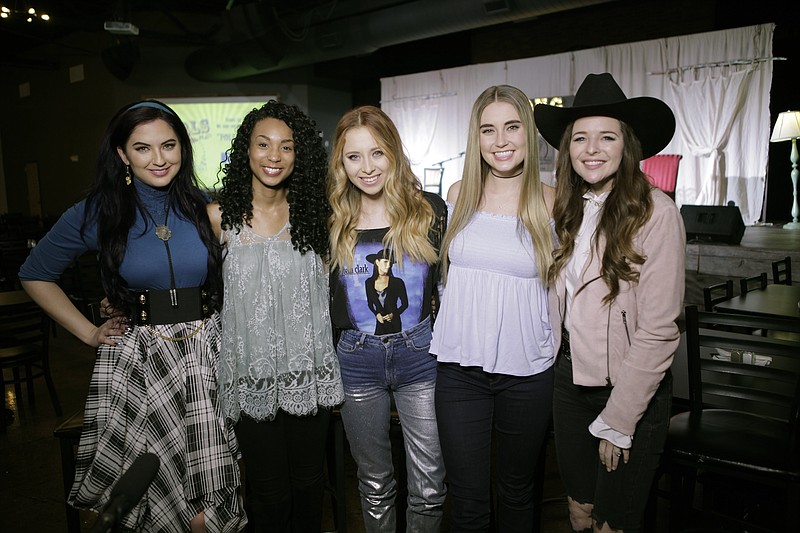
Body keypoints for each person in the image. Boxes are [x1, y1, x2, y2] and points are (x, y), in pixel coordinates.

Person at [19, 100, 245, 532]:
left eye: (169, 145)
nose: (159, 159)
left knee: (209, 506)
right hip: (141, 364)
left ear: (183, 148)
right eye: (143, 148)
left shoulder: (205, 207)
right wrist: (87, 333)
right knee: (153, 495)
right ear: (122, 154)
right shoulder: (97, 212)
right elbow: (35, 274)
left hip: (207, 357)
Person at [534, 72, 684, 533]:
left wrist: (620, 418)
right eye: (580, 137)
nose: (592, 148)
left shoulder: (656, 213)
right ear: (567, 147)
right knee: (578, 511)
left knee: (610, 525)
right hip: (568, 383)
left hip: (626, 391)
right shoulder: (567, 209)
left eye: (606, 136)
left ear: (627, 145)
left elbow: (659, 329)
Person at [207, 100, 344, 533]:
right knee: (268, 493)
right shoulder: (218, 218)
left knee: (308, 486)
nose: (273, 156)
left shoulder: (319, 217)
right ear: (245, 150)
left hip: (308, 372)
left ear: (298, 154)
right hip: (252, 377)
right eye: (263, 144)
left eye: (286, 147)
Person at [429, 85, 556, 532]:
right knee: (466, 499)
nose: (500, 140)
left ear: (529, 131)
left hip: (527, 371)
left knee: (517, 494)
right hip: (460, 369)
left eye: (511, 127)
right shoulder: (459, 192)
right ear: (476, 138)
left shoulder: (552, 200)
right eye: (488, 130)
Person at [327, 105, 448, 532]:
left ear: (393, 153)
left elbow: (446, 288)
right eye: (353, 156)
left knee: (430, 487)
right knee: (375, 482)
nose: (367, 167)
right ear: (341, 163)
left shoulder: (430, 211)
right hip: (356, 361)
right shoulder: (333, 221)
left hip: (421, 355)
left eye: (376, 153)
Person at [365, 248, 409, 335]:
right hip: (380, 324)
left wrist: (393, 314)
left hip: (394, 324)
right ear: (377, 262)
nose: (388, 265)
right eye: (385, 261)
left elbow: (405, 304)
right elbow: (370, 304)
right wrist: (377, 314)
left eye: (390, 263)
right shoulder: (369, 283)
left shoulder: (397, 282)